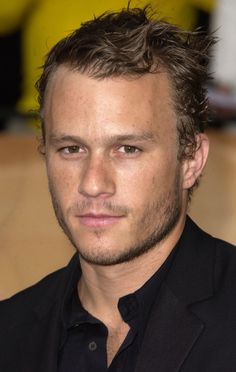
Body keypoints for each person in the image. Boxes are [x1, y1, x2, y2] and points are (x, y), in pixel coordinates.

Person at [0, 5, 236, 372]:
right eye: (72, 149)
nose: (93, 183)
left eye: (127, 149)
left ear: (191, 159)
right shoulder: (9, 331)